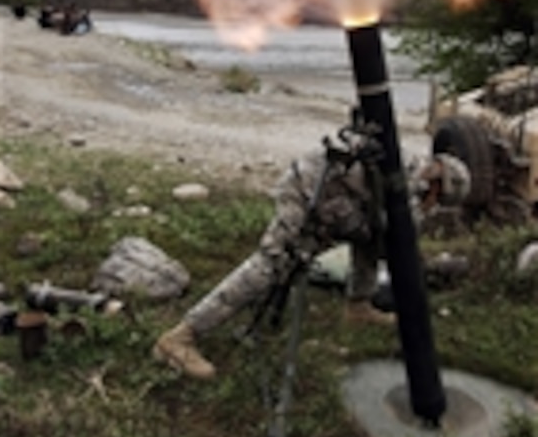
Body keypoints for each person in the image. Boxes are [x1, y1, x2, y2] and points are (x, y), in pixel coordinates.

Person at [153, 130, 470, 380]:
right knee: (271, 263)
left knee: (369, 243)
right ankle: (181, 336)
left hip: (340, 205)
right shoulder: (408, 176)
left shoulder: (408, 175)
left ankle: (358, 307)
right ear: (439, 186)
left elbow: (387, 236)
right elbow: (400, 236)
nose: (433, 205)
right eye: (438, 199)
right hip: (309, 191)